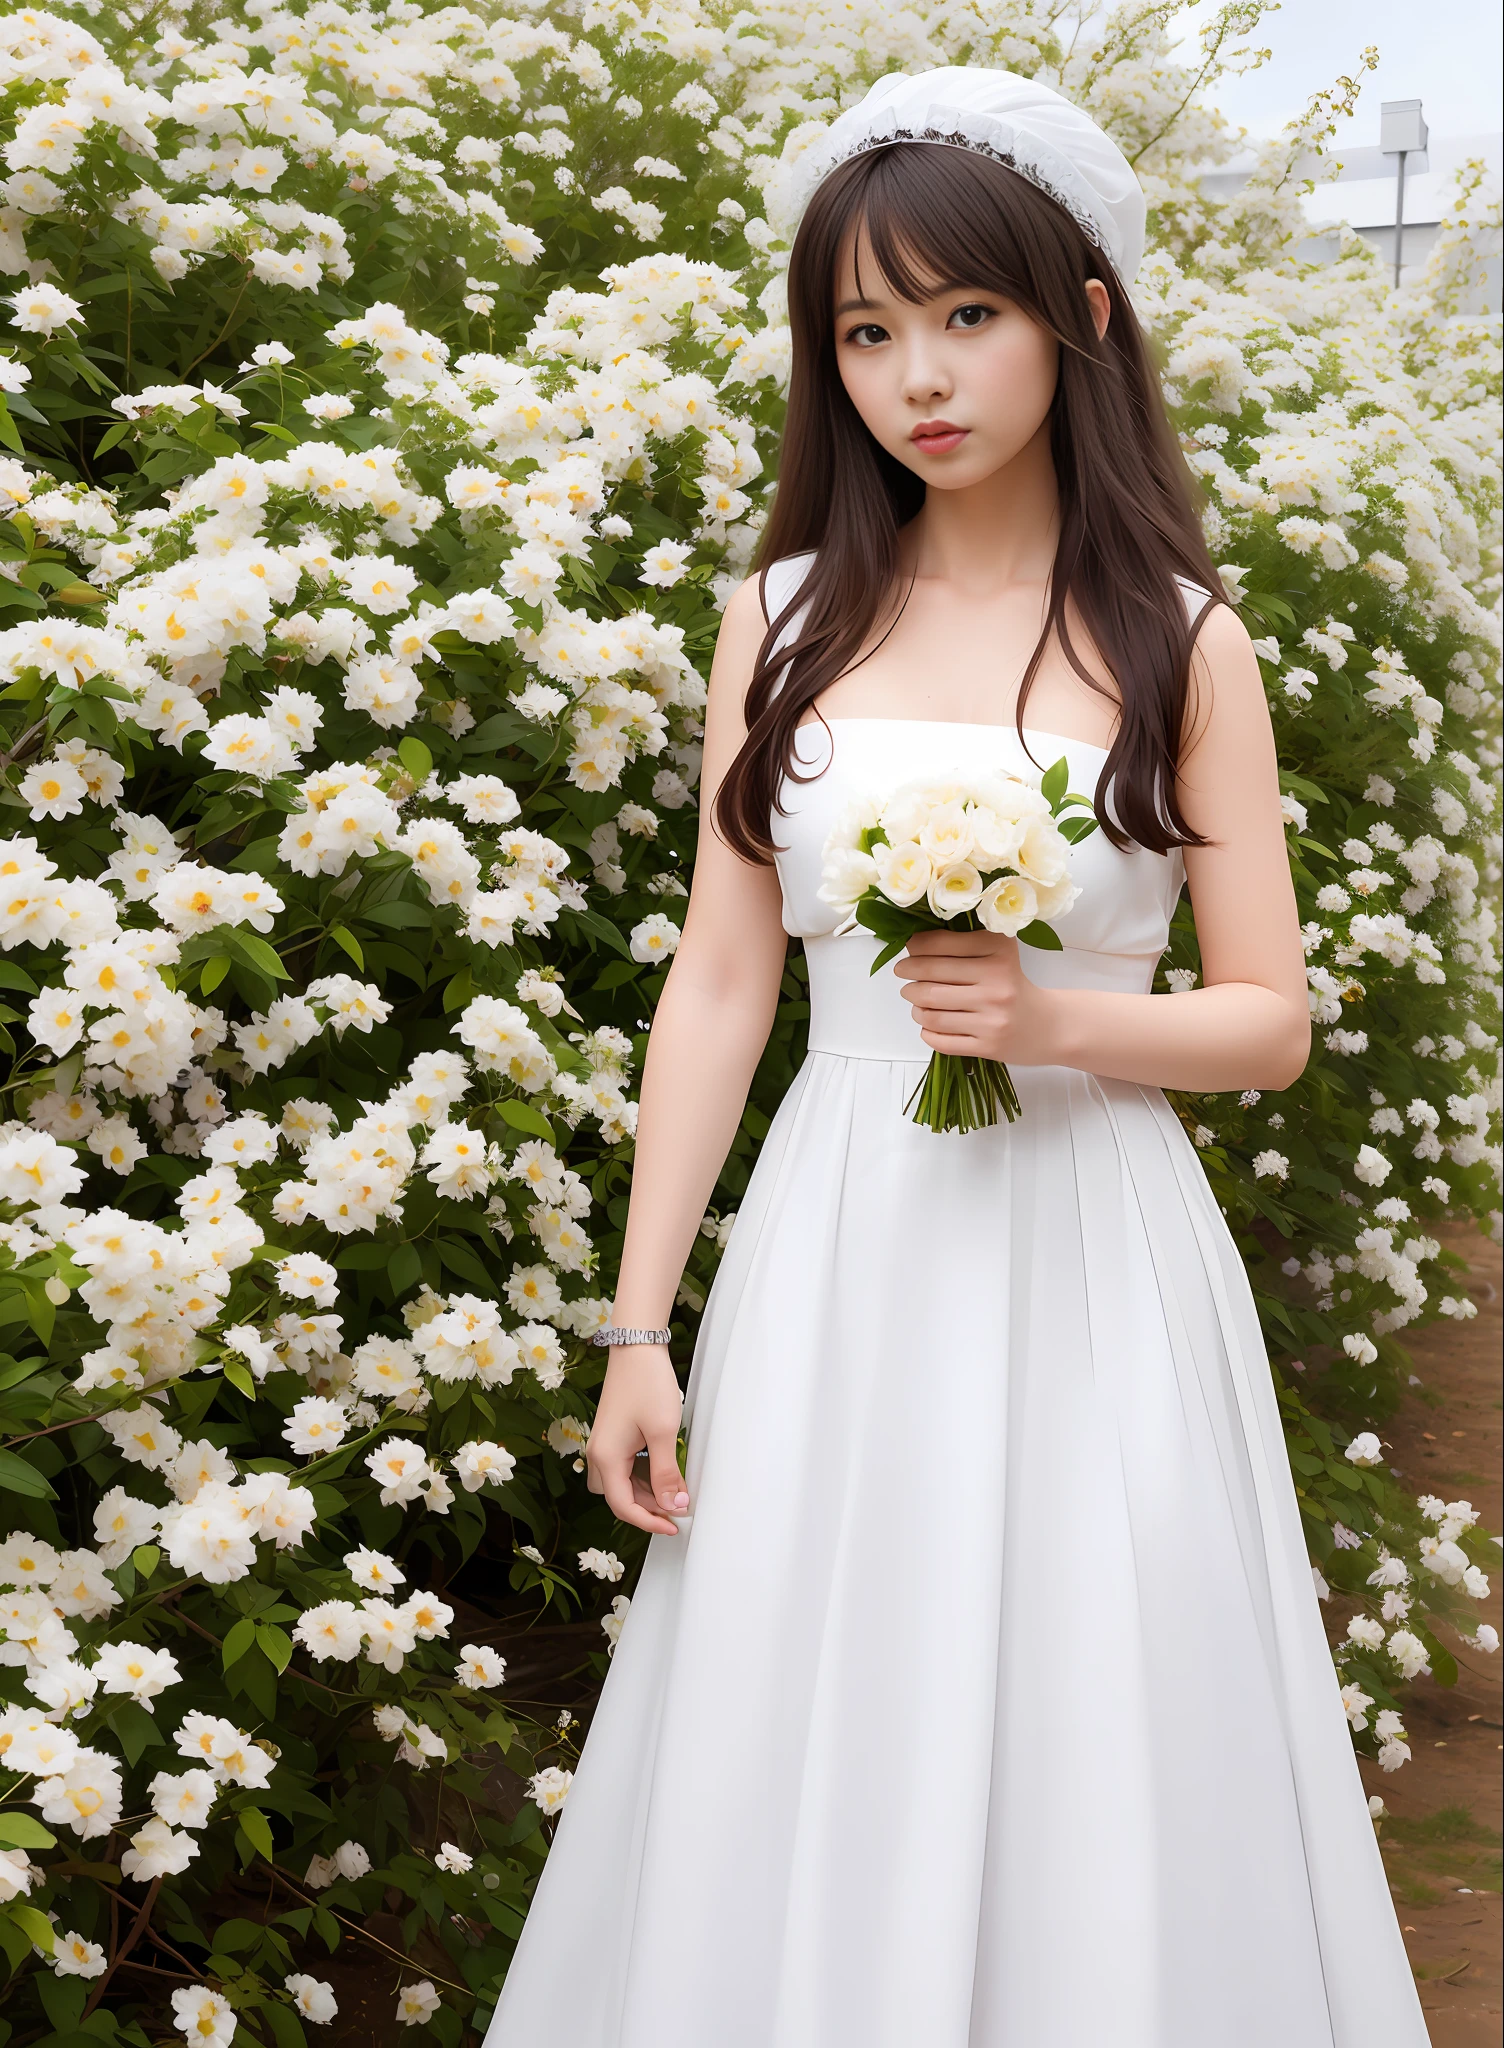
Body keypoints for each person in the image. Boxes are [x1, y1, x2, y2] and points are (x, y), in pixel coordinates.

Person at [486, 67, 1430, 2048]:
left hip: (1093, 1246)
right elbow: (722, 979)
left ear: (1079, 314)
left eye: (962, 314)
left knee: (1100, 1689)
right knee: (812, 1679)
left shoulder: (1178, 635)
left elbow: (1265, 1017)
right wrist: (637, 1324)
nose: (914, 372)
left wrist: (1056, 1018)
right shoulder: (784, 613)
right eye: (863, 330)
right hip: (845, 1236)